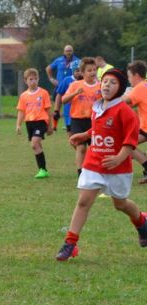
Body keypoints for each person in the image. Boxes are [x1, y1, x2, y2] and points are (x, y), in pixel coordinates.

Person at [56, 68, 147, 261]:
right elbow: (100, 127)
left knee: (120, 204)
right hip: (94, 162)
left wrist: (119, 158)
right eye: (104, 81)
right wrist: (87, 134)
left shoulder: (125, 111)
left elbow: (130, 141)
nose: (107, 85)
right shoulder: (97, 107)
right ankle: (70, 243)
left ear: (121, 88)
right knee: (83, 201)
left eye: (112, 82)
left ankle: (141, 221)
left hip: (118, 168)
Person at [62, 57, 101, 176]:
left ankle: (96, 172)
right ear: (82, 72)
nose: (93, 72)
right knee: (81, 147)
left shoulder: (100, 86)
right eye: (89, 70)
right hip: (78, 121)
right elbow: (64, 100)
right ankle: (81, 173)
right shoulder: (75, 85)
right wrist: (75, 93)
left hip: (94, 121)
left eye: (94, 70)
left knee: (96, 149)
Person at [16, 68, 53, 179]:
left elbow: (48, 111)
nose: (33, 81)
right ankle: (44, 170)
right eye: (30, 79)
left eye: (35, 79)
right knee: (37, 145)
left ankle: (42, 170)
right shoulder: (23, 96)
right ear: (25, 81)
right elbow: (21, 111)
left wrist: (50, 126)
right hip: (29, 123)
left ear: (38, 79)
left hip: (41, 121)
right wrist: (18, 124)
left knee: (34, 143)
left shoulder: (43, 93)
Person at [122, 60, 147, 184]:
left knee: (126, 146)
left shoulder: (138, 88)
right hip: (144, 128)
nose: (129, 79)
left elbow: (122, 103)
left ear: (136, 76)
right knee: (128, 145)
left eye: (129, 76)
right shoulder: (145, 85)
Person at [54, 60, 81, 134]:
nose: (79, 73)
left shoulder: (86, 81)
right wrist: (56, 110)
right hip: (69, 113)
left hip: (83, 114)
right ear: (73, 71)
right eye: (77, 71)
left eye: (81, 70)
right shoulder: (67, 80)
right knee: (72, 138)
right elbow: (59, 95)